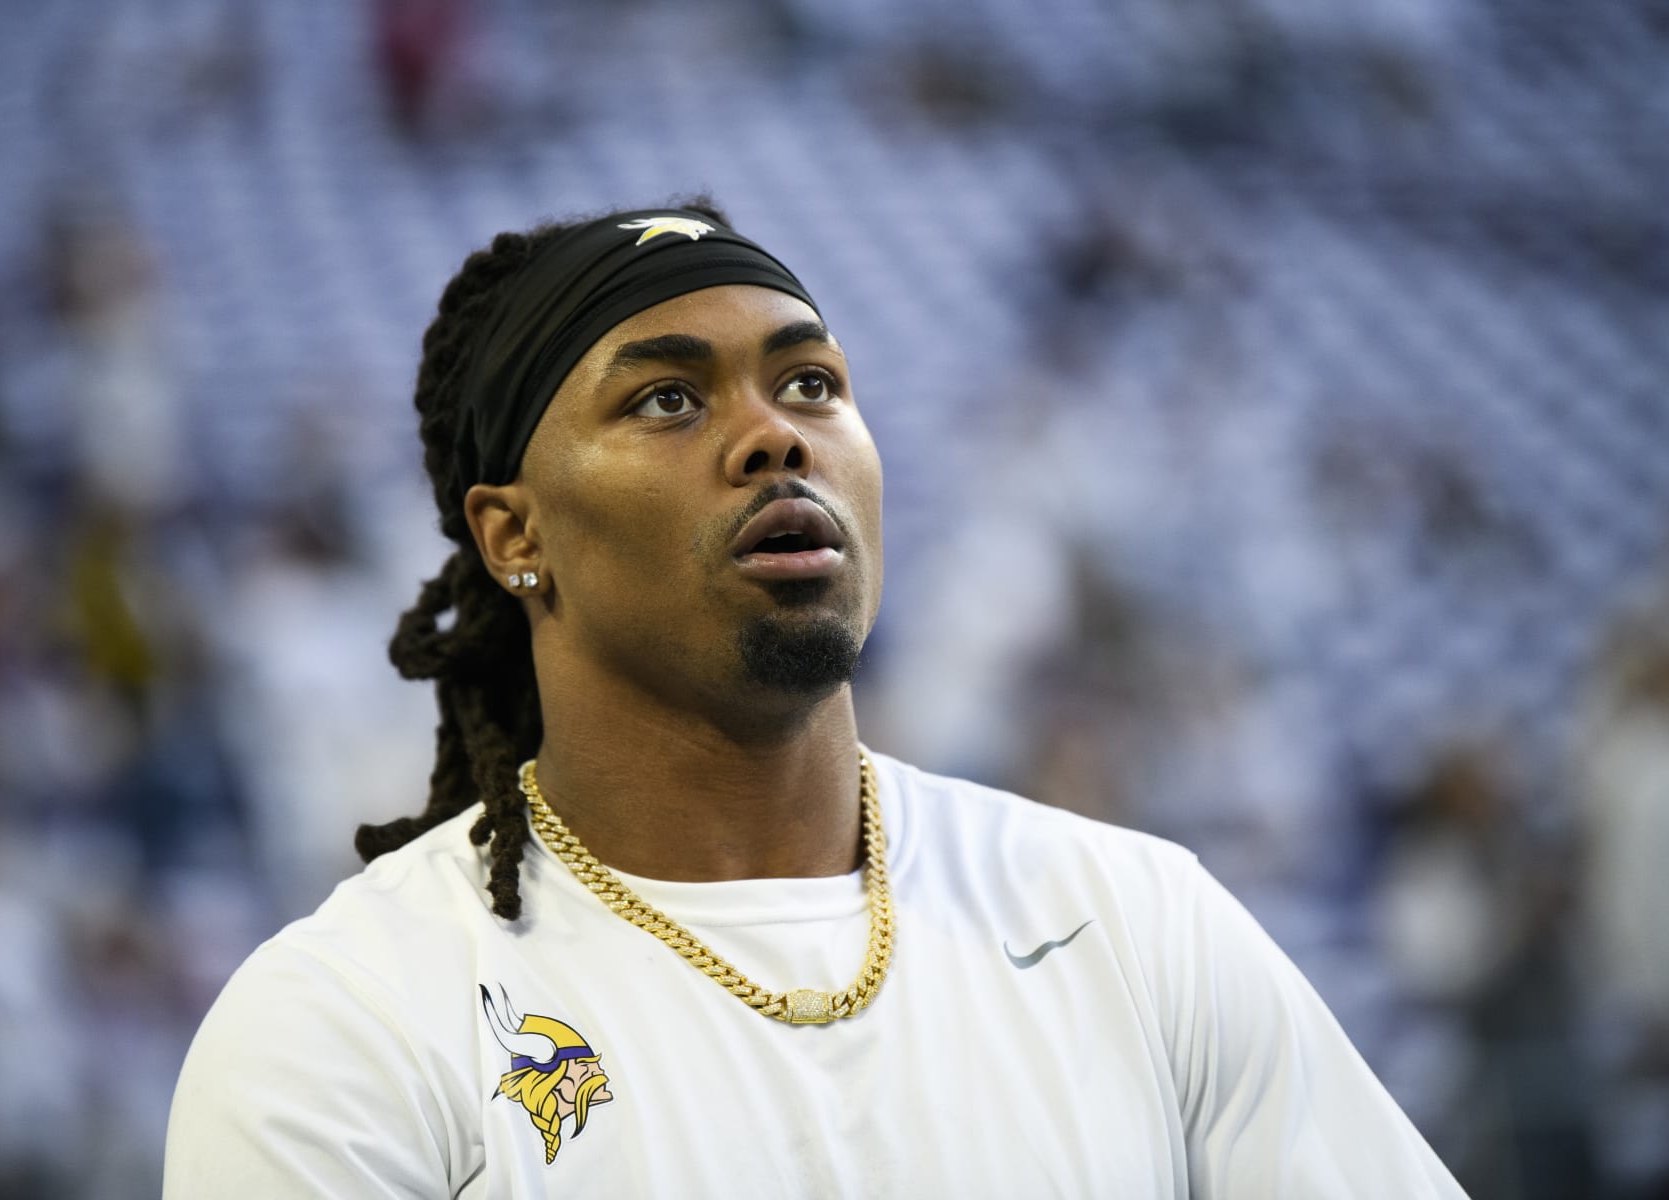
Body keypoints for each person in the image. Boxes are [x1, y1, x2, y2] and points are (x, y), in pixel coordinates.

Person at [163, 203, 1467, 1198]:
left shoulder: (1137, 925)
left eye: (811, 385)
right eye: (667, 397)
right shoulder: (345, 1022)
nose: (776, 435)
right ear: (516, 536)